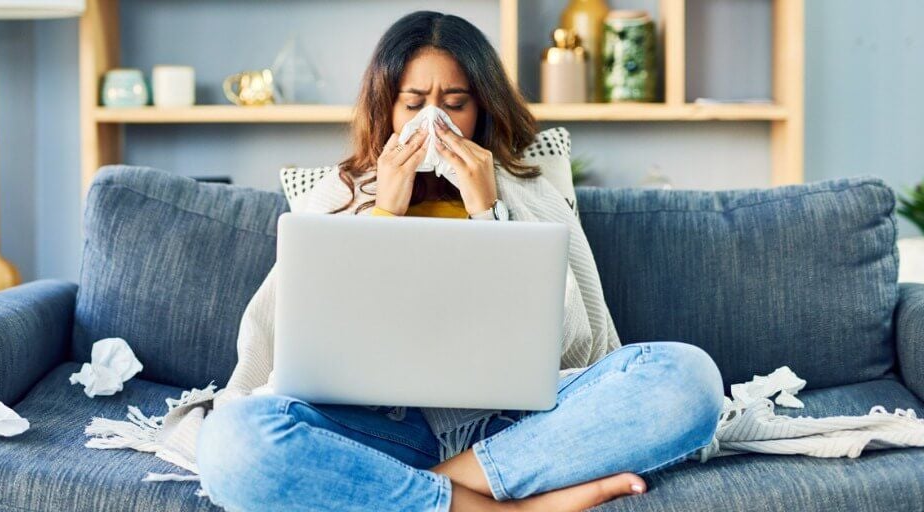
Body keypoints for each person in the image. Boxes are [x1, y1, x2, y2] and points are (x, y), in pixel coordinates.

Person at [195, 11, 724, 512]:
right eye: (414, 102)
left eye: (454, 102)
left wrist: (487, 210)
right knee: (231, 442)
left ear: (482, 108)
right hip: (379, 431)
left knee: (689, 378)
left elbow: (573, 349)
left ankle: (436, 487)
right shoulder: (337, 196)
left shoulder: (528, 192)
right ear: (387, 108)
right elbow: (290, 352)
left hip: (520, 429)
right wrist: (384, 211)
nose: (434, 120)